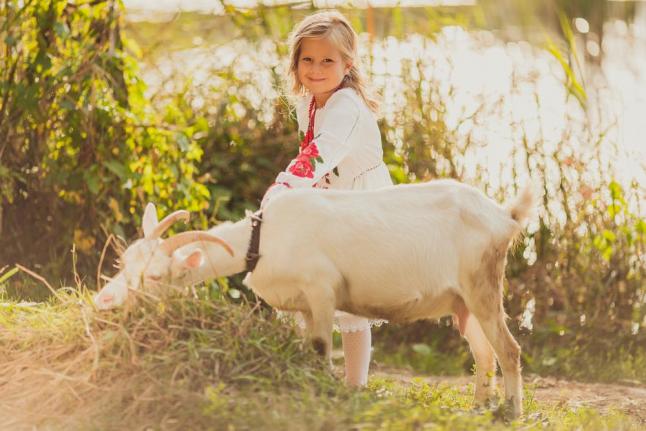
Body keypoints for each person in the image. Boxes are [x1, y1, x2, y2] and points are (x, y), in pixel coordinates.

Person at [260, 10, 393, 387]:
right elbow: (314, 153)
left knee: (350, 300)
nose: (316, 69)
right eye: (308, 60)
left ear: (347, 64)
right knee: (307, 284)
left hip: (359, 204)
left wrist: (285, 186)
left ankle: (355, 385)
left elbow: (323, 151)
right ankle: (310, 372)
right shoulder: (311, 102)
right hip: (327, 199)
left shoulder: (347, 106)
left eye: (327, 61)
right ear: (296, 62)